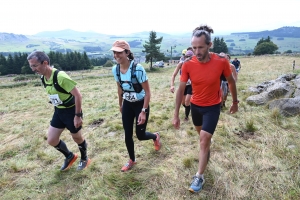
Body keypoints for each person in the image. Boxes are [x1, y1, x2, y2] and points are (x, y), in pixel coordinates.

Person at [172, 25, 239, 193]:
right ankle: (206, 153)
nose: (197, 51)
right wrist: (176, 115)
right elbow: (181, 89)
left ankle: (199, 177)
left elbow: (230, 82)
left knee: (204, 139)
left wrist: (235, 102)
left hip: (212, 107)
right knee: (203, 140)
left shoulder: (221, 61)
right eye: (194, 48)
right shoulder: (188, 65)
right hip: (195, 106)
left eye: (200, 47)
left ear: (210, 45)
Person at [27, 51, 91, 171]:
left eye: (35, 65)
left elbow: (78, 95)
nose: (33, 69)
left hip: (72, 112)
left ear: (45, 63)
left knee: (77, 137)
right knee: (51, 140)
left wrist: (77, 116)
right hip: (59, 111)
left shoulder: (60, 76)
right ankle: (69, 156)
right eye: (31, 66)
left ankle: (84, 158)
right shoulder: (43, 77)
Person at [111, 40, 161, 172]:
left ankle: (155, 136)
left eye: (119, 52)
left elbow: (148, 92)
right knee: (127, 134)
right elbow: (120, 89)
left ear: (127, 52)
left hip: (141, 104)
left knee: (140, 135)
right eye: (114, 52)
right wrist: (120, 104)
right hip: (127, 104)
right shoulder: (115, 69)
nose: (116, 55)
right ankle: (132, 160)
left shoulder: (138, 69)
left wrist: (143, 111)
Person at [170, 50, 194, 121]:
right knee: (183, 102)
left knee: (187, 101)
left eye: (190, 57)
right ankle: (189, 108)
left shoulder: (195, 64)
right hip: (183, 85)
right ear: (184, 57)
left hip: (191, 85)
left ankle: (186, 117)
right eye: (187, 56)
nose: (188, 58)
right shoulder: (181, 64)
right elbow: (173, 75)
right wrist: (172, 85)